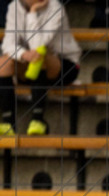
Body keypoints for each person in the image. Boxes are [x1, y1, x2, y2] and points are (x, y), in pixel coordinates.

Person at [0, 0, 80, 136]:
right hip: (30, 64)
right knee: (4, 62)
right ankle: (8, 122)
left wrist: (32, 13)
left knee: (39, 57)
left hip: (64, 65)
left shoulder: (55, 7)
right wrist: (23, 54)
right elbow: (7, 44)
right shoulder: (14, 6)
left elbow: (38, 45)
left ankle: (38, 119)